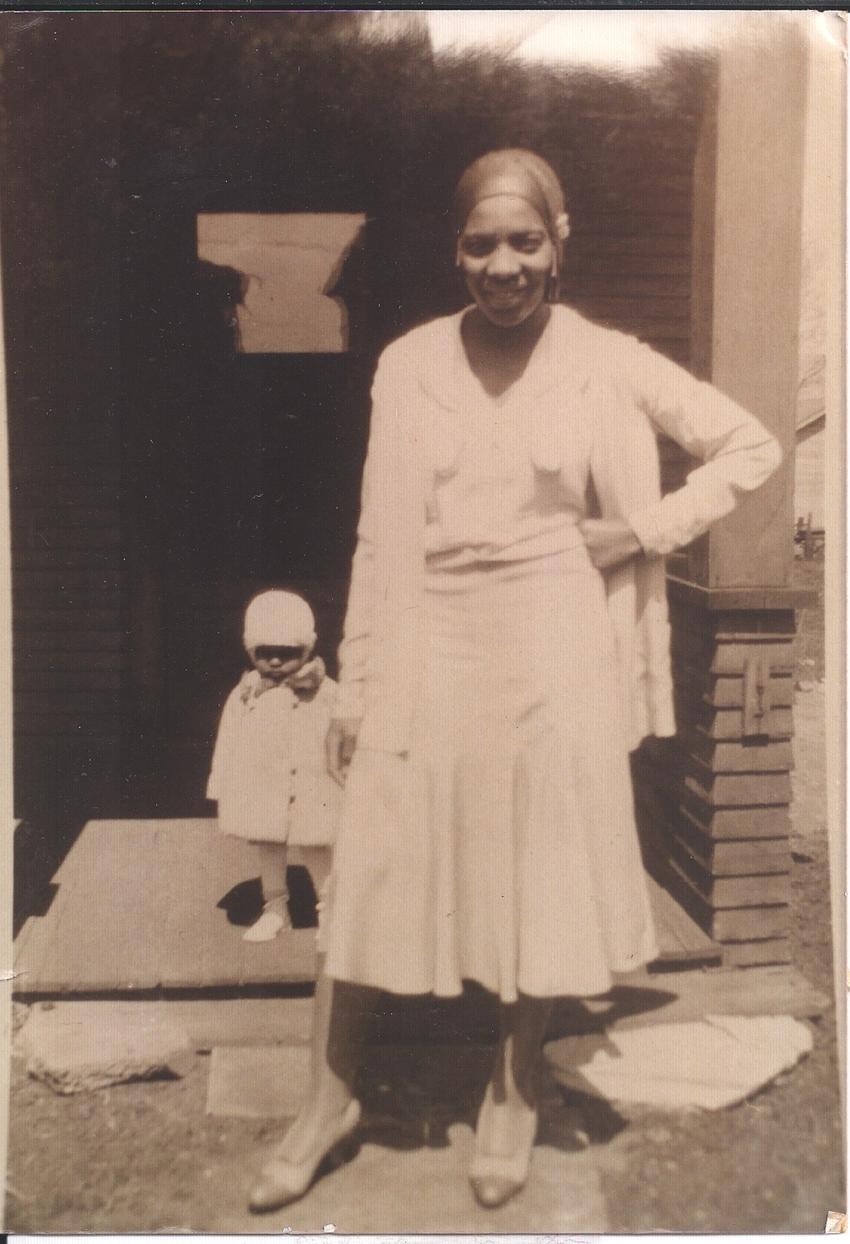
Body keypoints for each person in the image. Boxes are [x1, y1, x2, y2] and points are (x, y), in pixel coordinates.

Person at [248, 149, 782, 1210]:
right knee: (373, 858)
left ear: (559, 238)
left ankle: (511, 1084)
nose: (502, 265)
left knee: (530, 866)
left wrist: (639, 528)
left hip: (552, 638)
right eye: (480, 244)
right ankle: (329, 1096)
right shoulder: (407, 362)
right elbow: (379, 535)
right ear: (457, 249)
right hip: (430, 629)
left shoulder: (604, 359)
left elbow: (749, 444)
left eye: (523, 241)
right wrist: (356, 687)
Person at [207, 590, 341, 941]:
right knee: (267, 843)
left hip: (313, 785)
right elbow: (229, 739)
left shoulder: (326, 692)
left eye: (288, 654)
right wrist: (222, 782)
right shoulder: (247, 693)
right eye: (267, 654)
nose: (277, 663)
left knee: (316, 843)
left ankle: (330, 912)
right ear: (252, 652)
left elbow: (345, 737)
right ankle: (276, 909)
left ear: (306, 650)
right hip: (264, 785)